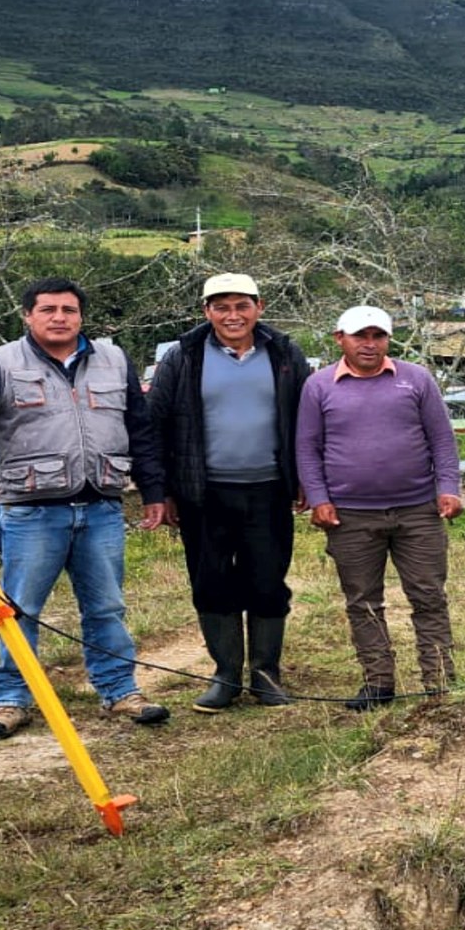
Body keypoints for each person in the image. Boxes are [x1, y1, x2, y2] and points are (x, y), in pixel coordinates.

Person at [0, 277, 171, 734]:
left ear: (81, 316)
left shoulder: (114, 359)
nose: (59, 317)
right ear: (28, 316)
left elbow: (139, 430)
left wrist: (154, 492)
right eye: (48, 310)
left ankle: (121, 691)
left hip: (101, 507)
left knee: (106, 608)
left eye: (68, 310)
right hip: (30, 512)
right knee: (19, 610)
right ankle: (10, 700)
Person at [147, 273, 312, 713]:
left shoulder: (284, 352)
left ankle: (265, 673)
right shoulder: (182, 356)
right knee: (212, 580)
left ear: (260, 306)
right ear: (206, 312)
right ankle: (225, 674)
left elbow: (308, 419)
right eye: (221, 307)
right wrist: (161, 490)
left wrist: (306, 479)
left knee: (267, 580)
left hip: (269, 489)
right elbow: (155, 423)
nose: (232, 315)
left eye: (242, 305)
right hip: (204, 492)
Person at [295, 305, 463, 711]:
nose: (369, 344)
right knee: (363, 601)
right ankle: (378, 682)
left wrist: (449, 488)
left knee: (428, 597)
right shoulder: (318, 386)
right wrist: (319, 499)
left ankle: (439, 683)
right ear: (340, 339)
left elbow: (441, 439)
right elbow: (307, 447)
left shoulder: (416, 379)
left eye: (378, 336)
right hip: (350, 515)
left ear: (388, 339)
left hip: (417, 510)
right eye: (360, 336)